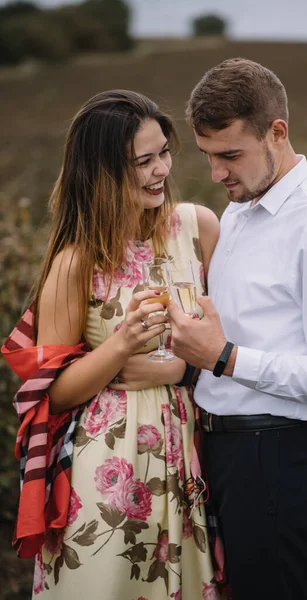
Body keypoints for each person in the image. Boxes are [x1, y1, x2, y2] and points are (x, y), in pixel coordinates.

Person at [2, 90, 222, 599]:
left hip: (191, 457)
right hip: (108, 473)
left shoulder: (198, 228)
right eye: (141, 162)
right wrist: (120, 345)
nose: (160, 170)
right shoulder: (75, 263)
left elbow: (232, 343)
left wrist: (182, 372)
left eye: (163, 152)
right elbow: (51, 394)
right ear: (100, 172)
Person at [167, 58, 307, 600]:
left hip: (274, 457)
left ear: (276, 132)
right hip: (222, 450)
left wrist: (226, 357)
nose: (216, 173)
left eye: (230, 154)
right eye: (209, 155)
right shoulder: (240, 208)